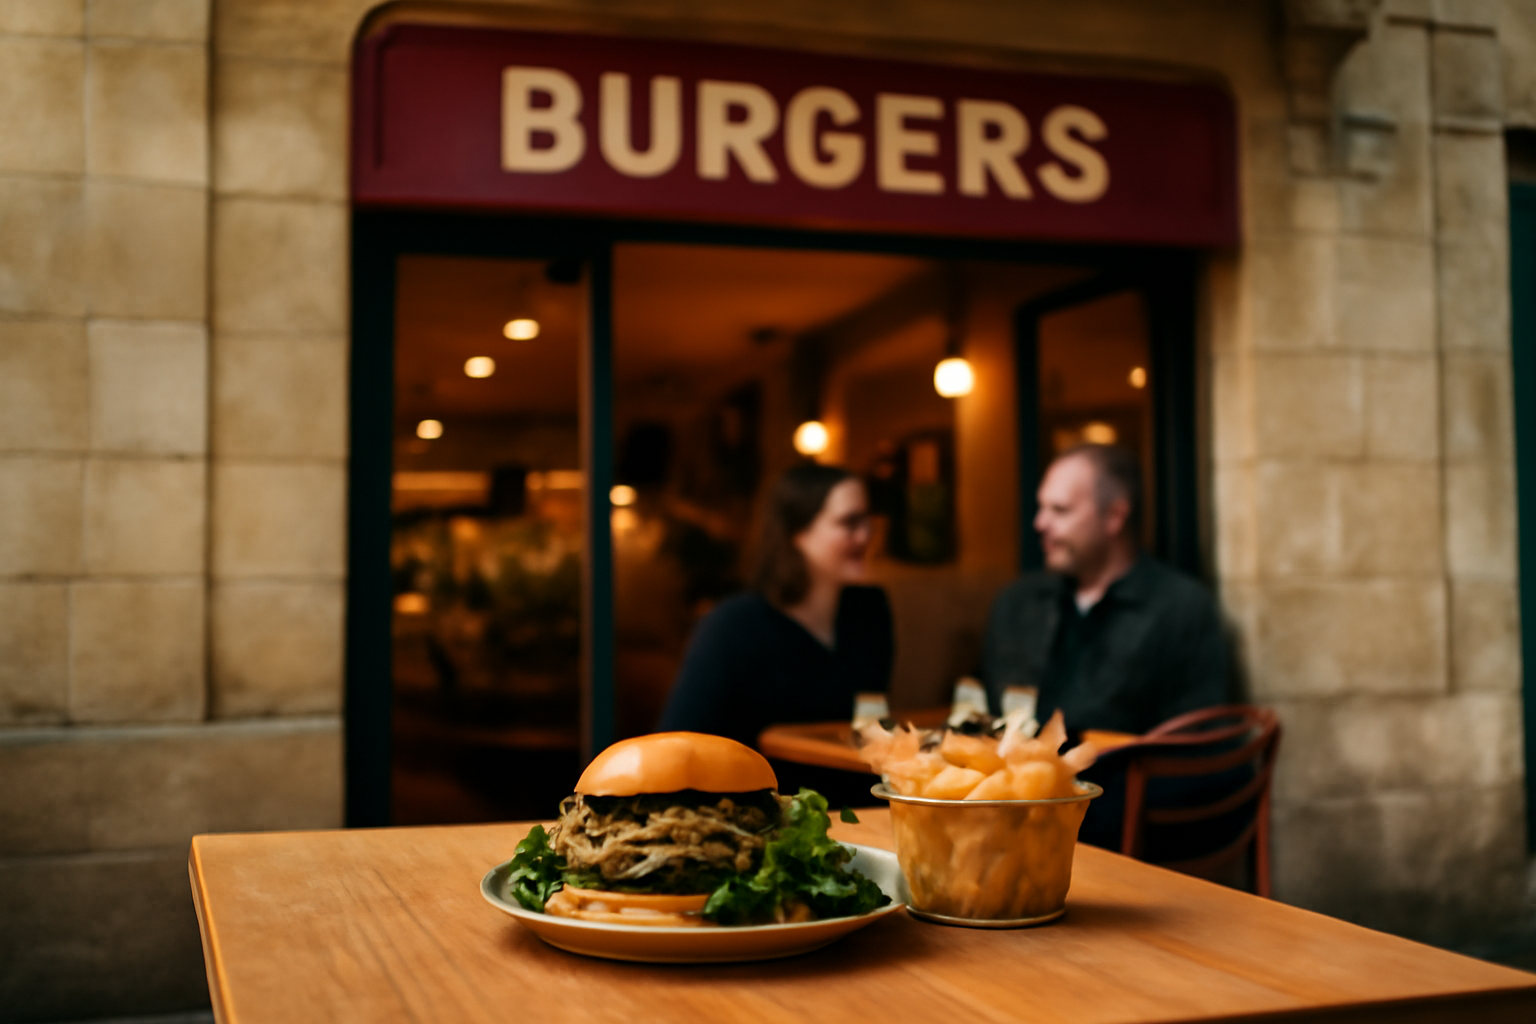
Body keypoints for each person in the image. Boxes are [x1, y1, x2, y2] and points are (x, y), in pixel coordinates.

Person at [982, 443, 1228, 736]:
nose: (1040, 523)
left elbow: (1199, 744)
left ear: (1115, 516)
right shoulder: (1017, 604)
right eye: (1041, 508)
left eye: (1060, 510)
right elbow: (983, 717)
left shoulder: (1179, 608)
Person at [659, 462, 894, 753]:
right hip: (765, 795)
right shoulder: (732, 627)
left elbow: (870, 730)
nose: (866, 535)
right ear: (798, 531)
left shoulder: (869, 612)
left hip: (861, 794)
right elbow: (677, 746)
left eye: (867, 520)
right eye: (849, 522)